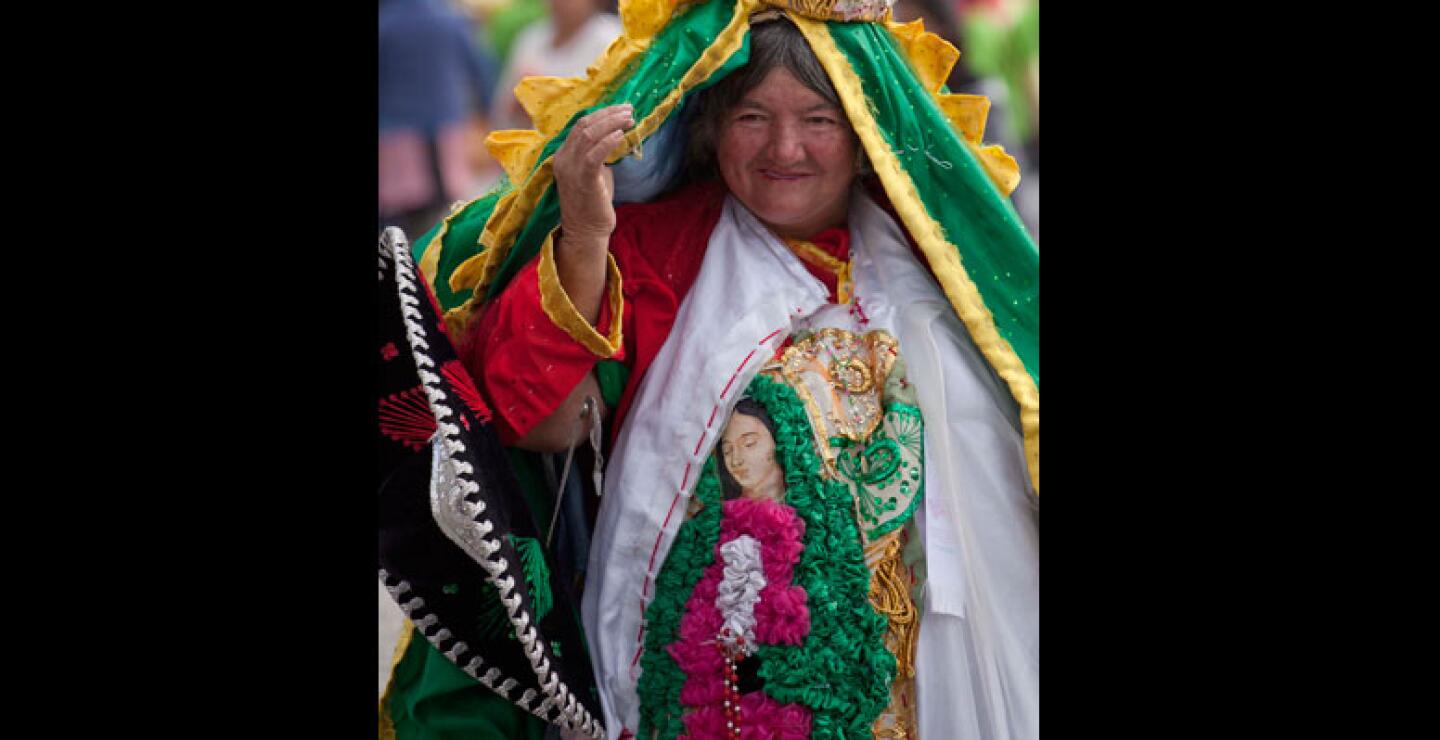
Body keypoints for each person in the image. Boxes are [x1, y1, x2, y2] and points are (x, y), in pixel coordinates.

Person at [384, 1, 1037, 738]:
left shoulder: (945, 273)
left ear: (864, 134)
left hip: (915, 695)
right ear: (710, 126)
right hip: (704, 693)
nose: (784, 147)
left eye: (819, 119)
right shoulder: (655, 254)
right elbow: (542, 423)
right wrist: (584, 236)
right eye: (752, 116)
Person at [379, 0, 500, 240]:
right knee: (444, 224)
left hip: (396, 143)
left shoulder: (386, 23)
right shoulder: (451, 19)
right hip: (447, 136)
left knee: (396, 228)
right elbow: (481, 70)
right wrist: (488, 116)